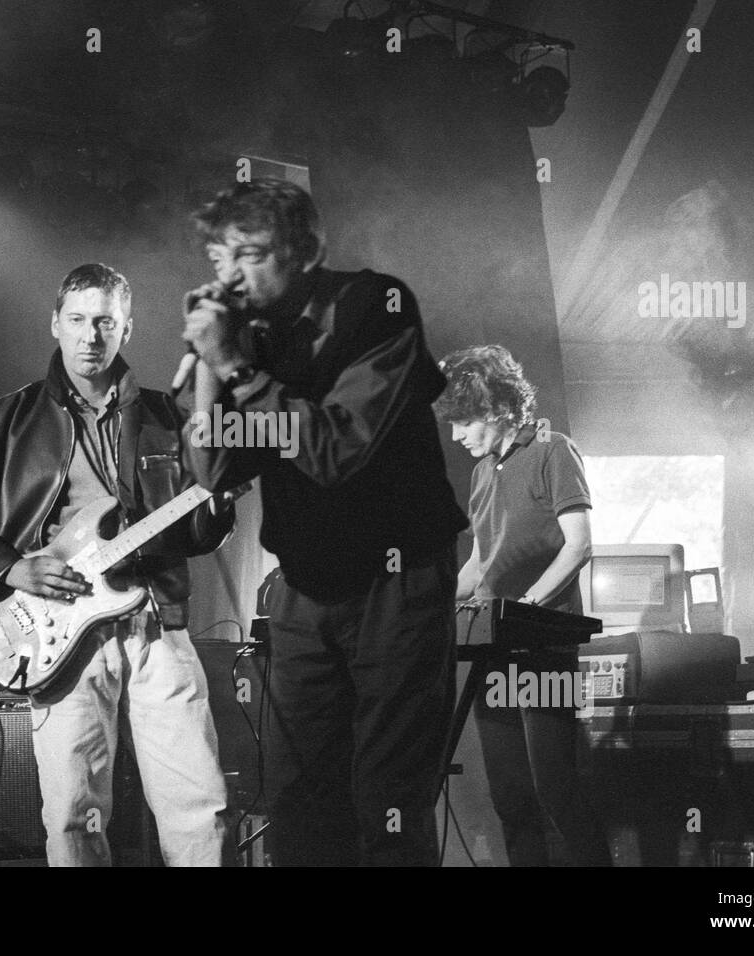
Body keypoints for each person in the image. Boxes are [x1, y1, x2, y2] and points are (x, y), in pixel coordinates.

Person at [180, 178, 468, 866]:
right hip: (305, 586)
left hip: (394, 579)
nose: (231, 277)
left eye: (250, 255)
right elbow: (212, 476)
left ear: (304, 251)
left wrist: (236, 367)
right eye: (221, 259)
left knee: (386, 797)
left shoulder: (378, 306)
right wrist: (209, 376)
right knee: (297, 798)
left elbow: (336, 448)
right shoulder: (247, 337)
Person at [0, 263, 235, 867]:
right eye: (80, 320)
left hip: (154, 622)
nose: (92, 336)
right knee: (72, 814)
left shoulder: (168, 418)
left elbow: (195, 530)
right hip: (58, 632)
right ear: (55, 324)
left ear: (127, 330)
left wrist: (215, 503)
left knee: (199, 803)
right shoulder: (7, 419)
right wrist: (9, 569)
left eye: (106, 322)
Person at [438, 344, 610, 866]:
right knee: (510, 798)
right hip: (495, 647)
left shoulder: (554, 451)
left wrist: (528, 607)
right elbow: (479, 566)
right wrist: (431, 605)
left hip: (541, 646)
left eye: (464, 421)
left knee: (555, 788)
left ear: (495, 409)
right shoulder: (481, 473)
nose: (456, 434)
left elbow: (578, 545)